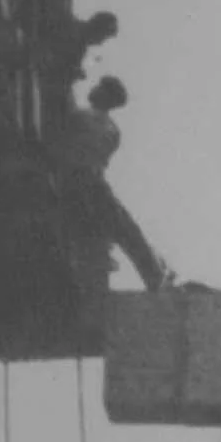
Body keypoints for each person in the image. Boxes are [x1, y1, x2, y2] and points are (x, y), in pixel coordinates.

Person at [57, 76, 171, 292]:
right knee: (127, 233)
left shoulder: (85, 118)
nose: (93, 88)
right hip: (90, 184)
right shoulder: (111, 129)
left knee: (121, 230)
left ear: (106, 96)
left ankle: (155, 276)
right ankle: (155, 276)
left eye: (99, 87)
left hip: (83, 185)